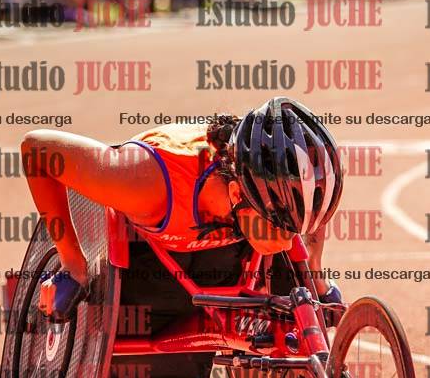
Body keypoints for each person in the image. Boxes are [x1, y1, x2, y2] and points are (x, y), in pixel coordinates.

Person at [20, 96, 343, 322]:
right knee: (160, 368)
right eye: (278, 225)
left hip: (230, 224)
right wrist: (72, 262)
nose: (287, 240)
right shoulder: (142, 182)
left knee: (297, 304)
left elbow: (307, 211)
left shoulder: (282, 195)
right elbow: (36, 149)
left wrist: (315, 274)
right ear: (236, 192)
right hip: (155, 237)